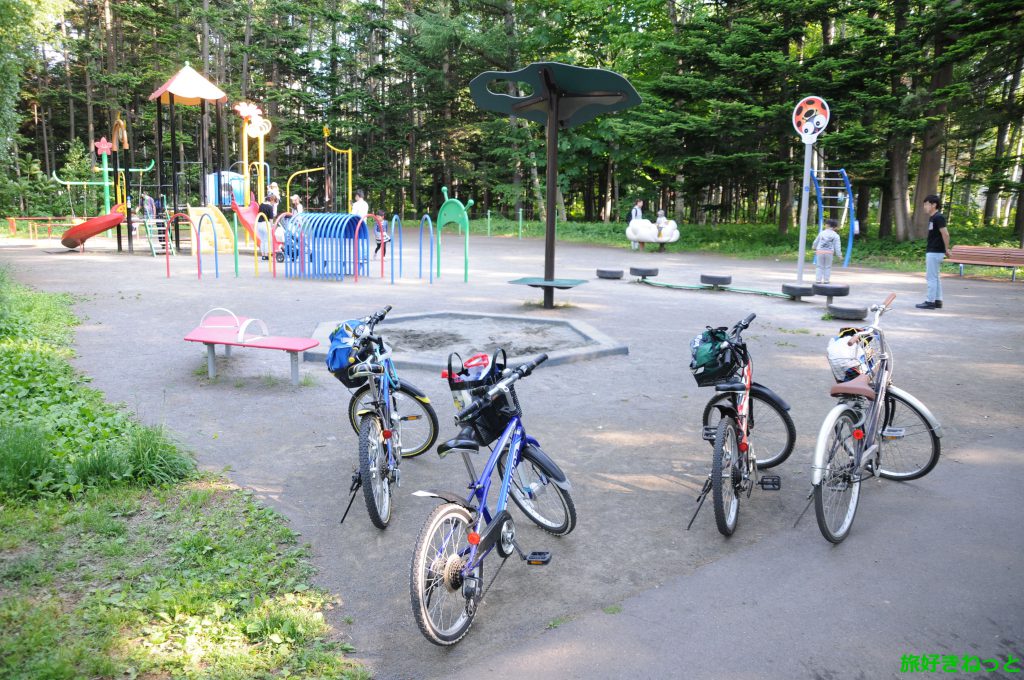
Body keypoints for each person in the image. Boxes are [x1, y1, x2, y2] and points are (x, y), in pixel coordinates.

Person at [916, 194, 951, 310]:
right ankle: (938, 300)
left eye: (926, 204)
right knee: (935, 277)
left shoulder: (938, 217)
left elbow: (945, 233)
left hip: (935, 251)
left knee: (931, 277)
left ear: (934, 205)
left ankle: (930, 301)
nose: (925, 207)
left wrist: (946, 249)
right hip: (934, 250)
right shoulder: (933, 218)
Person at [811, 218, 843, 284]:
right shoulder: (836, 235)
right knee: (828, 267)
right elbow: (837, 246)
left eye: (825, 224)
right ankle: (826, 280)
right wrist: (839, 255)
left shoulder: (822, 233)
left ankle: (818, 280)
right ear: (834, 227)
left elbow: (816, 241)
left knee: (819, 266)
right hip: (829, 252)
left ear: (827, 225)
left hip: (820, 252)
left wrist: (814, 247)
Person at [256, 193, 279, 259]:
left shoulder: (261, 205)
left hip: (259, 224)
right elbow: (271, 219)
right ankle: (266, 255)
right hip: (265, 224)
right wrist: (272, 227)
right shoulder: (270, 207)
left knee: (262, 240)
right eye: (274, 202)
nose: (274, 204)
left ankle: (263, 255)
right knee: (267, 240)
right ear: (272, 200)